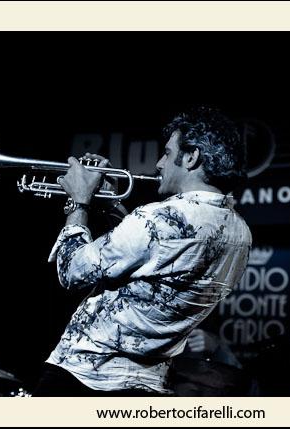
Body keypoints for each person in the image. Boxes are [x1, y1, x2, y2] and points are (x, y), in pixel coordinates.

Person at [33, 106, 252, 396]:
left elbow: (71, 271)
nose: (159, 164)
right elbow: (151, 262)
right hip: (147, 387)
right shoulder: (241, 234)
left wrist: (79, 202)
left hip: (84, 377)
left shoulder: (157, 218)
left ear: (191, 157)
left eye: (167, 154)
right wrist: (111, 204)